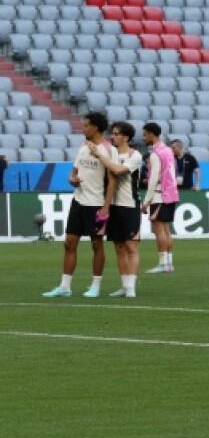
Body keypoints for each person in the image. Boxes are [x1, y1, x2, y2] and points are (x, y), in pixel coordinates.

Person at [43, 111, 117, 298]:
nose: (82, 128)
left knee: (96, 244)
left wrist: (106, 207)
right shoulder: (84, 146)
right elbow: (74, 171)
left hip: (96, 204)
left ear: (95, 127)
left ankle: (96, 286)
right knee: (69, 243)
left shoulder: (109, 150)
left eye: (85, 125)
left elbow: (113, 180)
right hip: (79, 201)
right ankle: (65, 286)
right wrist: (72, 178)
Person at [94, 121, 143, 298]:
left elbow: (117, 169)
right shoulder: (112, 154)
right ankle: (125, 285)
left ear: (125, 137)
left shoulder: (135, 155)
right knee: (118, 247)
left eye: (116, 134)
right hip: (113, 206)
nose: (112, 137)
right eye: (112, 133)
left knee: (131, 246)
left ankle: (131, 287)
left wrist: (100, 156)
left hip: (129, 205)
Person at [142, 123, 179, 273]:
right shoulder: (168, 151)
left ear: (152, 134)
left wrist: (146, 201)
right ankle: (169, 263)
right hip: (171, 193)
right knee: (166, 229)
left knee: (159, 228)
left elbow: (154, 177)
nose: (143, 138)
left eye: (145, 135)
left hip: (159, 194)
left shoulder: (155, 154)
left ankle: (163, 263)